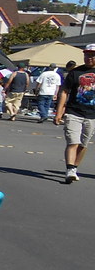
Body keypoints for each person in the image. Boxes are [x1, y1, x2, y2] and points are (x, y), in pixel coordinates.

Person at [53, 44, 95, 184]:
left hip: (92, 115)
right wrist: (59, 112)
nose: (89, 58)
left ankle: (74, 167)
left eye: (92, 55)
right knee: (73, 142)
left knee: (83, 144)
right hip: (74, 112)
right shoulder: (75, 72)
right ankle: (70, 169)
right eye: (87, 55)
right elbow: (64, 91)